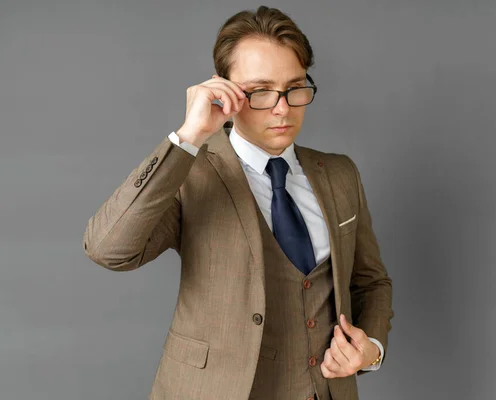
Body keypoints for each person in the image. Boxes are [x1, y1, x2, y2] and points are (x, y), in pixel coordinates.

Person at [83, 5, 393, 400]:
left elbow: (372, 281)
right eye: (260, 91)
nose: (282, 108)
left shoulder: (340, 173)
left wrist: (370, 351)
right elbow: (108, 249)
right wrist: (189, 135)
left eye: (294, 87)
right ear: (223, 88)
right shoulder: (189, 171)